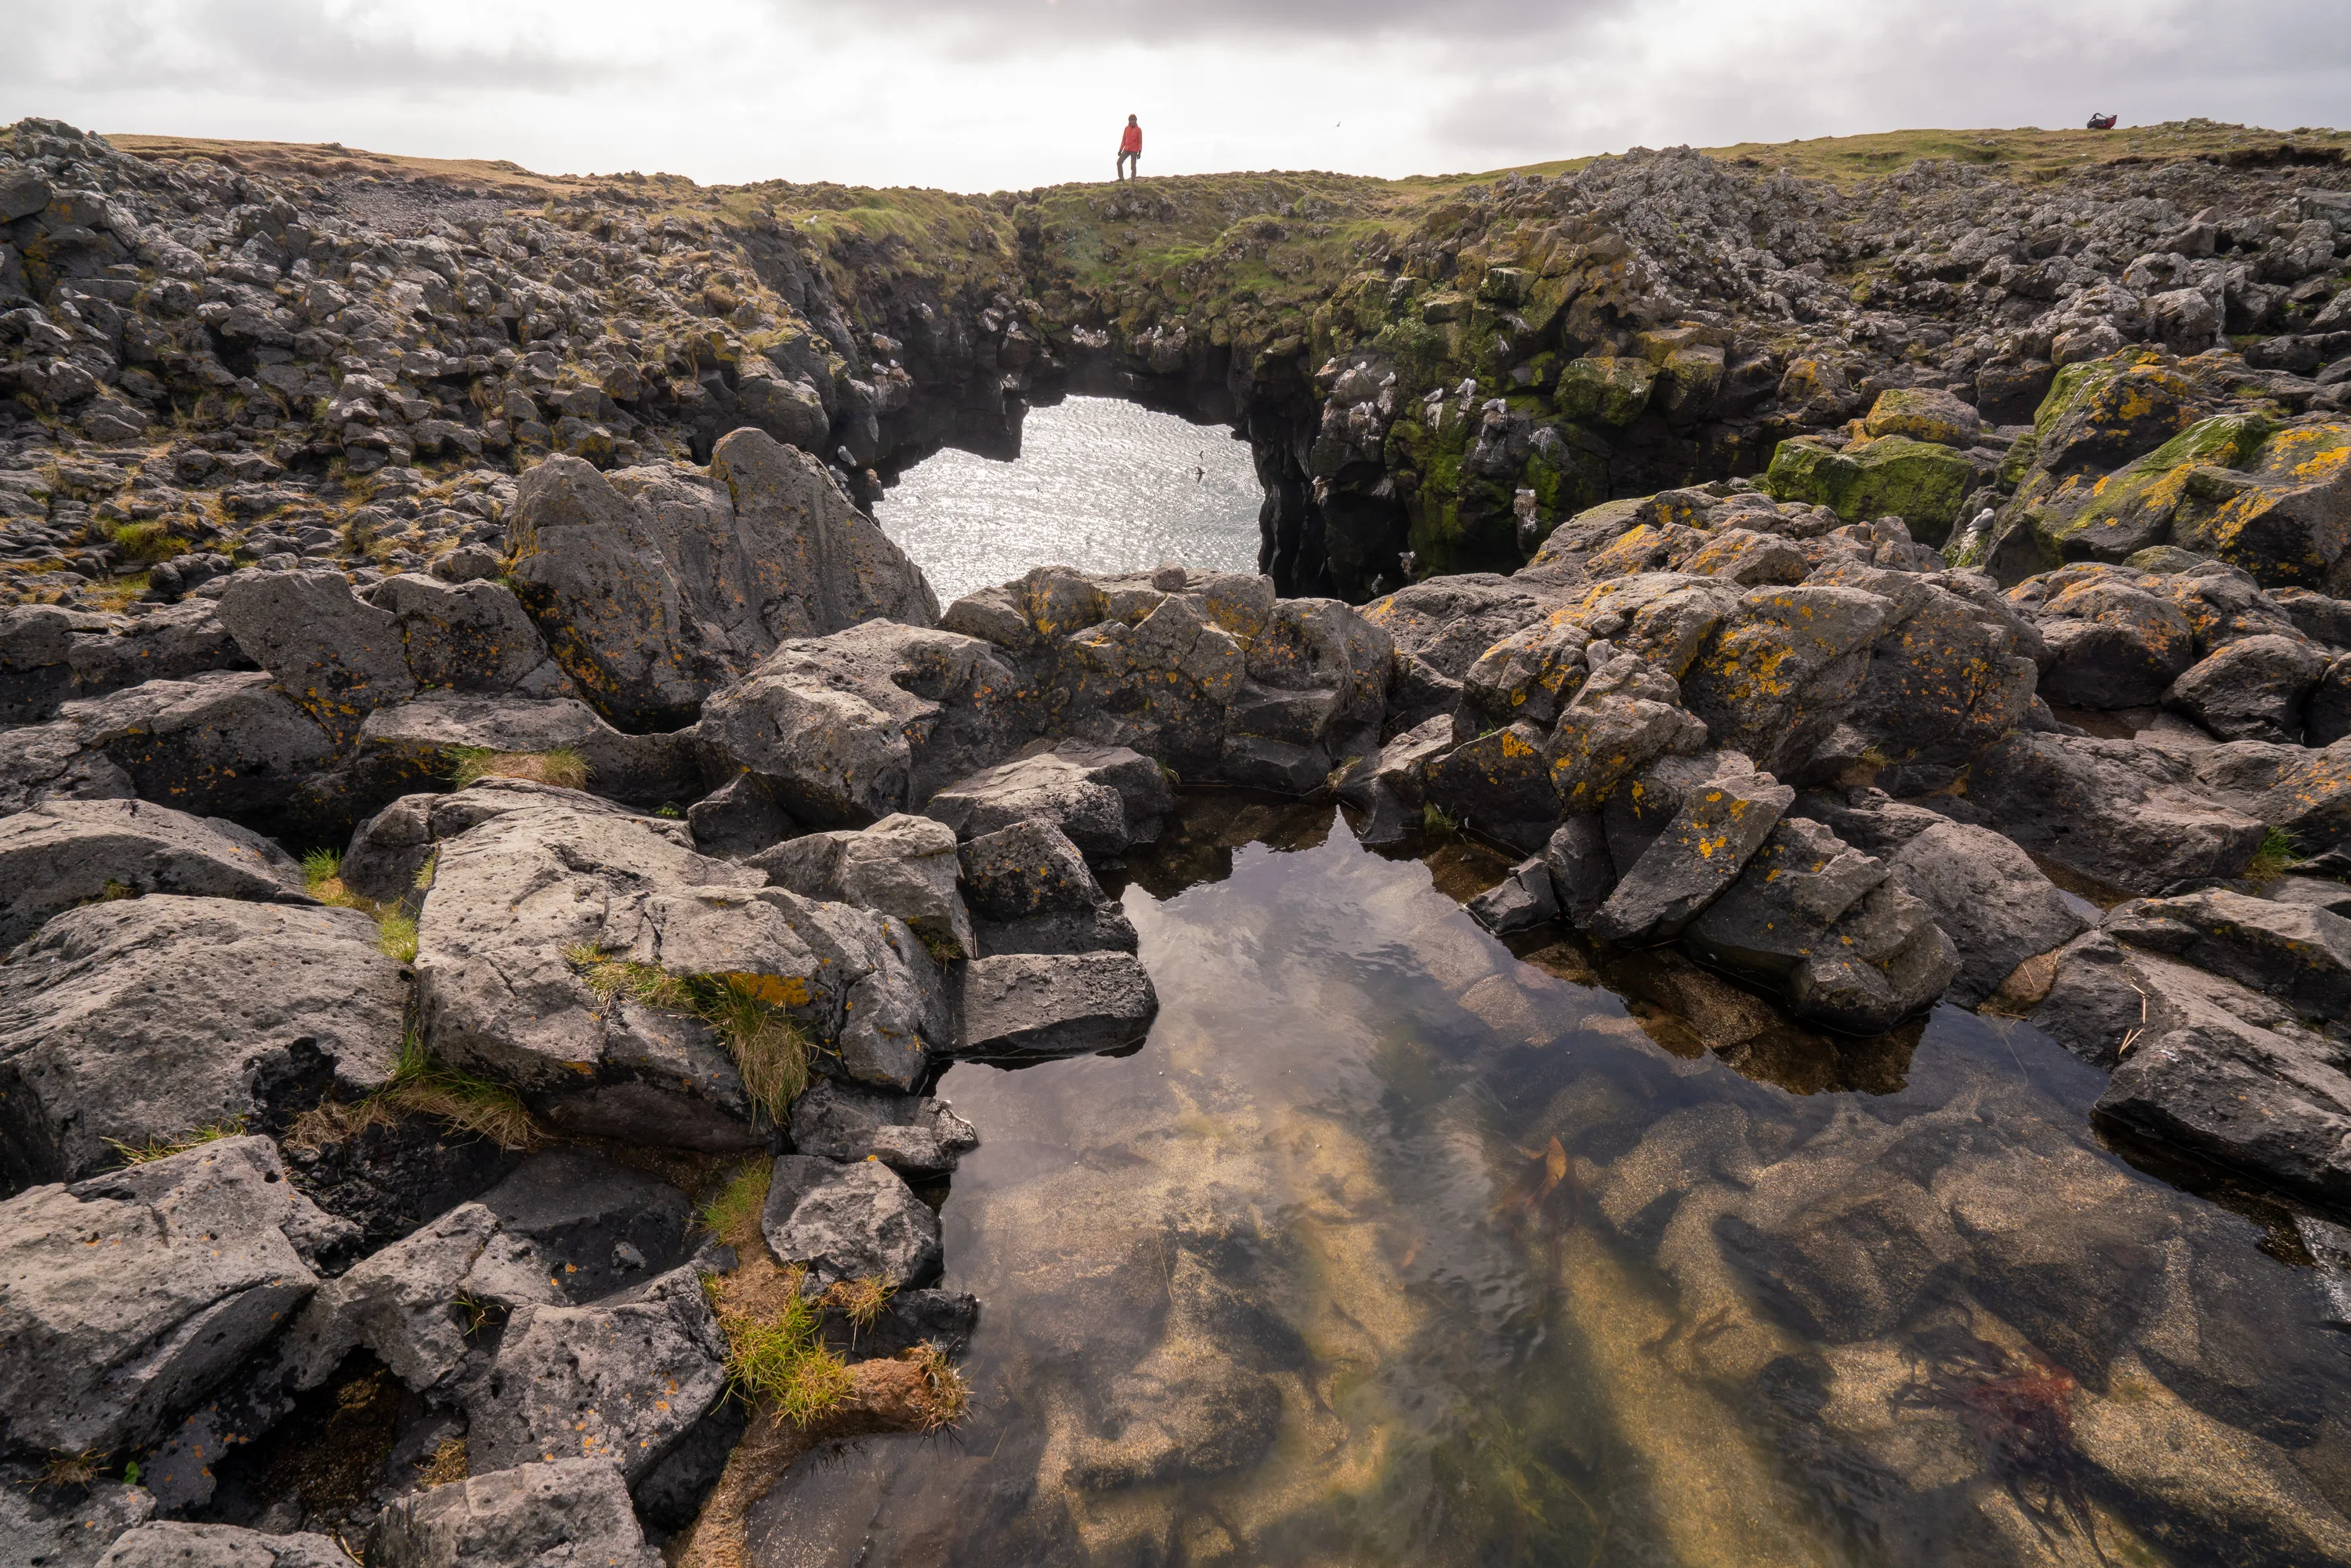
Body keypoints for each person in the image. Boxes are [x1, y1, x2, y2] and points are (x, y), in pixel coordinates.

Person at [1118, 115, 1142, 180]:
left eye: (1133, 120)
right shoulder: (1126, 128)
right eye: (1131, 120)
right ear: (1129, 121)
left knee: (1133, 167)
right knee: (1119, 162)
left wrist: (1139, 152)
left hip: (1134, 150)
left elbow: (1140, 141)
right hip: (1126, 149)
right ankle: (1121, 178)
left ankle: (1132, 182)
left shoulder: (1138, 130)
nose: (1132, 121)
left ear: (1136, 120)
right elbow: (1123, 140)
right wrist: (1120, 150)